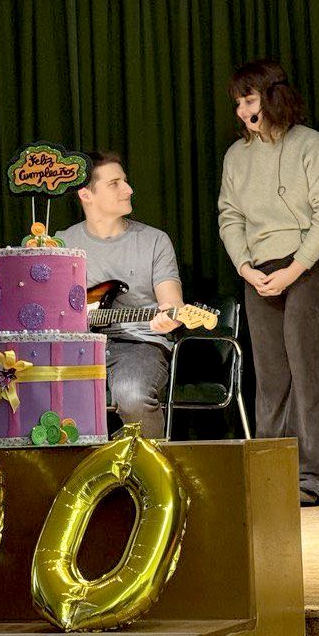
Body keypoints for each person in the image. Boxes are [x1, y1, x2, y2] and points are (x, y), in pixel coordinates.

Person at [218, 58, 319, 506]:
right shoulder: (237, 157)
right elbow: (229, 216)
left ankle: (313, 479)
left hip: (310, 264)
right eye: (237, 103)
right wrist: (245, 268)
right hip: (260, 268)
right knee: (271, 376)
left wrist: (296, 268)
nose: (241, 111)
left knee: (308, 370)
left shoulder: (310, 145)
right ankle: (272, 478)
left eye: (248, 100)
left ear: (271, 97)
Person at [58, 151, 183, 438]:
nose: (128, 189)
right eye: (115, 183)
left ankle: (150, 474)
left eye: (125, 181)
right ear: (86, 195)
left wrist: (170, 318)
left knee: (132, 395)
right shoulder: (63, 242)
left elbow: (172, 303)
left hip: (139, 343)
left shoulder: (154, 241)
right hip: (79, 347)